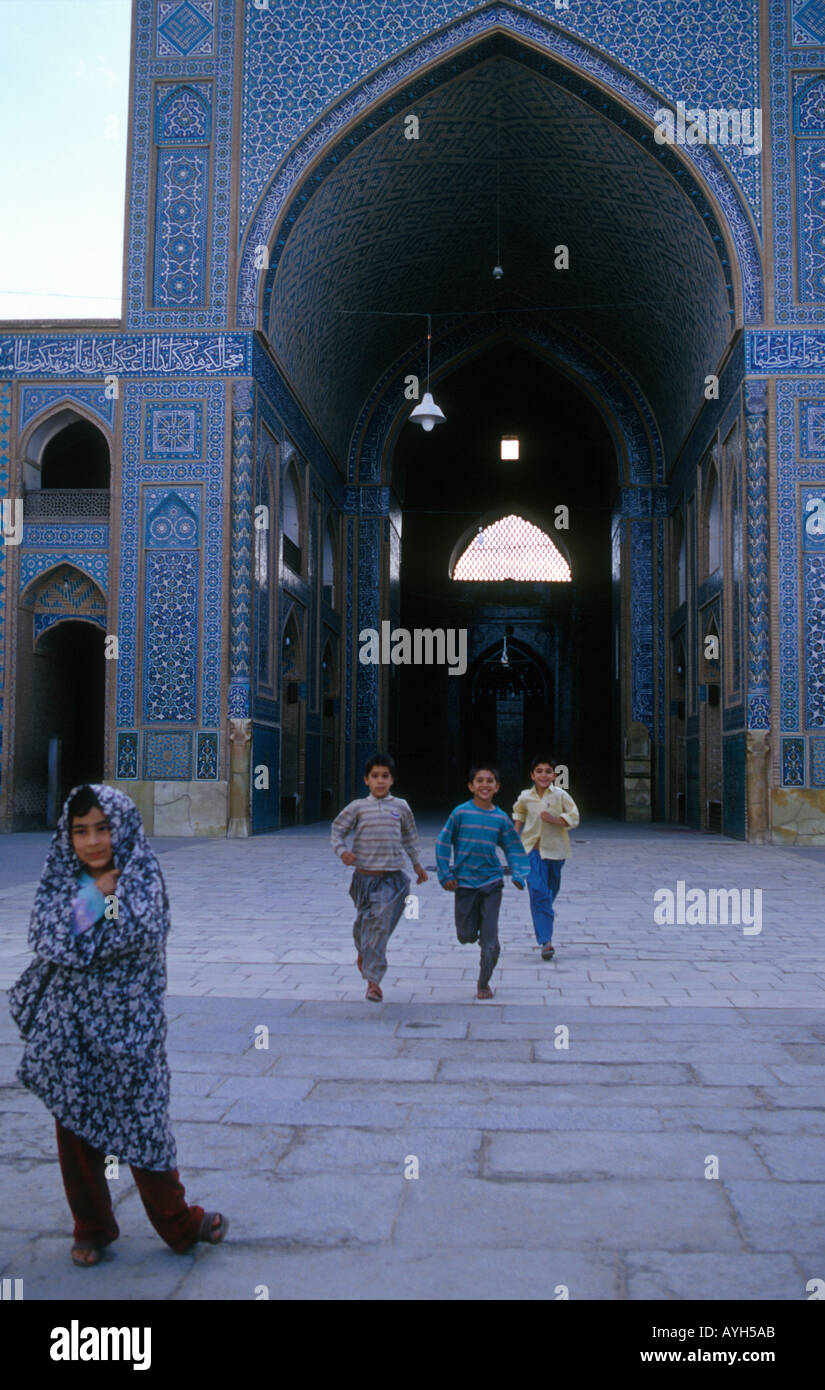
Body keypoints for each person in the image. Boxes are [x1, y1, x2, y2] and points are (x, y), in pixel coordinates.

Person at [8, 783, 227, 1267]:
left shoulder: (142, 876)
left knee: (146, 1125)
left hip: (131, 1031)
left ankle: (177, 1221)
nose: (91, 842)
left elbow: (128, 933)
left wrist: (83, 915)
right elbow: (45, 933)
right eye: (80, 831)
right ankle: (92, 1225)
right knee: (75, 1129)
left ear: (121, 828)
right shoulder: (63, 877)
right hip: (71, 1034)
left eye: (103, 829)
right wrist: (93, 894)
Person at [331, 753, 427, 1002]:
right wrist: (343, 852)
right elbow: (337, 831)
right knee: (366, 923)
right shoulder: (358, 808)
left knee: (380, 924)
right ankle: (364, 949)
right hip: (363, 879)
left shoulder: (401, 807)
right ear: (366, 780)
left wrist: (417, 865)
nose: (380, 781)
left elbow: (410, 836)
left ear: (392, 780)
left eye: (385, 776)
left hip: (392, 879)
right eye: (375, 776)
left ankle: (373, 981)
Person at [435, 763, 530, 1000]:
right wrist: (445, 874)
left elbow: (513, 847)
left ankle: (484, 981)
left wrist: (518, 874)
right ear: (471, 786)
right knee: (465, 935)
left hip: (491, 883)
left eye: (490, 781)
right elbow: (442, 843)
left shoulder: (500, 819)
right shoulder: (460, 814)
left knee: (490, 941)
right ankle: (472, 930)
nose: (484, 785)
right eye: (479, 780)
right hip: (464, 885)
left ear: (497, 787)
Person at [513, 756, 580, 961]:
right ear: (532, 775)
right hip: (532, 853)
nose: (543, 775)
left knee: (549, 892)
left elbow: (574, 817)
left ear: (554, 775)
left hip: (556, 853)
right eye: (539, 771)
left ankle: (544, 914)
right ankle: (546, 941)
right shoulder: (526, 796)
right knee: (539, 892)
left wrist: (555, 819)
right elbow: (519, 813)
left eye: (548, 771)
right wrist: (513, 838)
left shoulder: (561, 796)